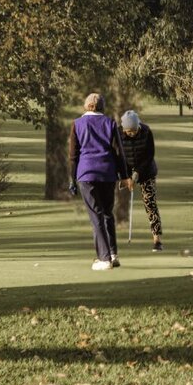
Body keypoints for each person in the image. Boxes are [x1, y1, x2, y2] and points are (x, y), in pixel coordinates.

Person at [69, 93, 132, 271]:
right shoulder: (110, 123)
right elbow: (119, 152)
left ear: (86, 105)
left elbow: (73, 155)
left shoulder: (77, 124)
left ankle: (104, 259)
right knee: (107, 213)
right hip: (107, 174)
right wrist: (124, 175)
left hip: (87, 174)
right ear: (101, 106)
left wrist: (72, 179)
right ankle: (112, 254)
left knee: (96, 216)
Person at [120, 110, 163, 252]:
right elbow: (118, 156)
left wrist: (137, 173)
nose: (131, 133)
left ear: (138, 126)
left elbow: (149, 155)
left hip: (146, 171)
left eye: (133, 130)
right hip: (126, 170)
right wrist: (127, 176)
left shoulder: (146, 131)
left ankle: (157, 239)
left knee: (150, 203)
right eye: (128, 131)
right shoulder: (119, 134)